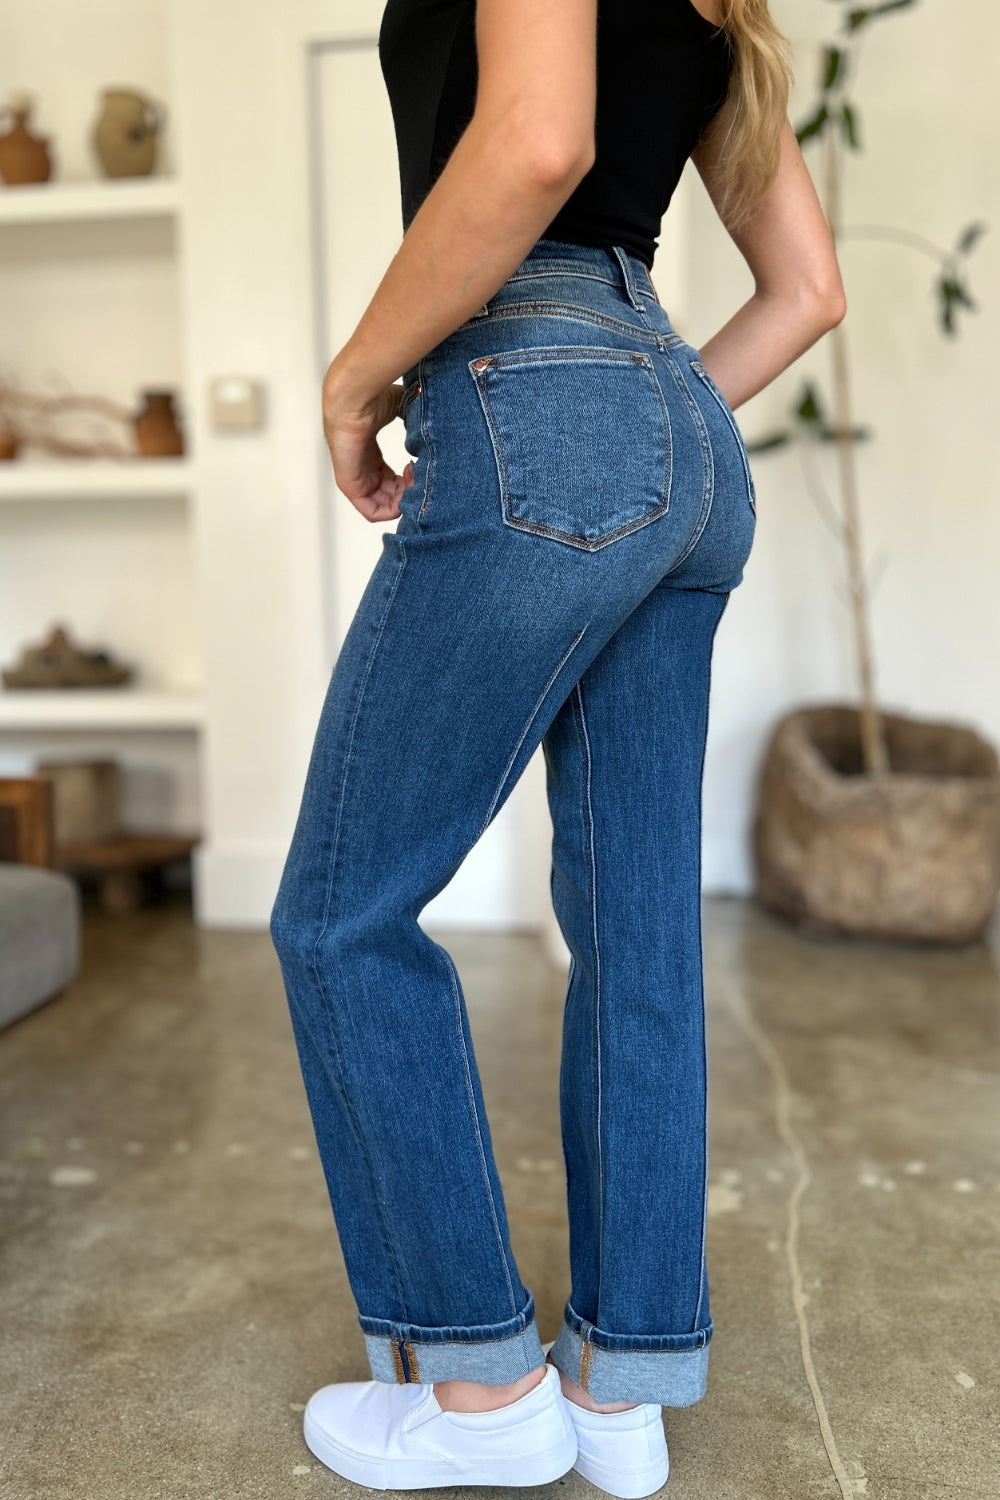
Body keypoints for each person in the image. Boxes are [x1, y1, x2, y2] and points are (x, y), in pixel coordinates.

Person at [269, 0, 845, 1491]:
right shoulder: (732, 13)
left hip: (534, 383)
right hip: (684, 433)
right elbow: (810, 292)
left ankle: (479, 1391)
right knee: (641, 935)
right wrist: (648, 434)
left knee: (343, 914)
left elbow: (536, 141)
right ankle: (621, 1388)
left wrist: (352, 382)